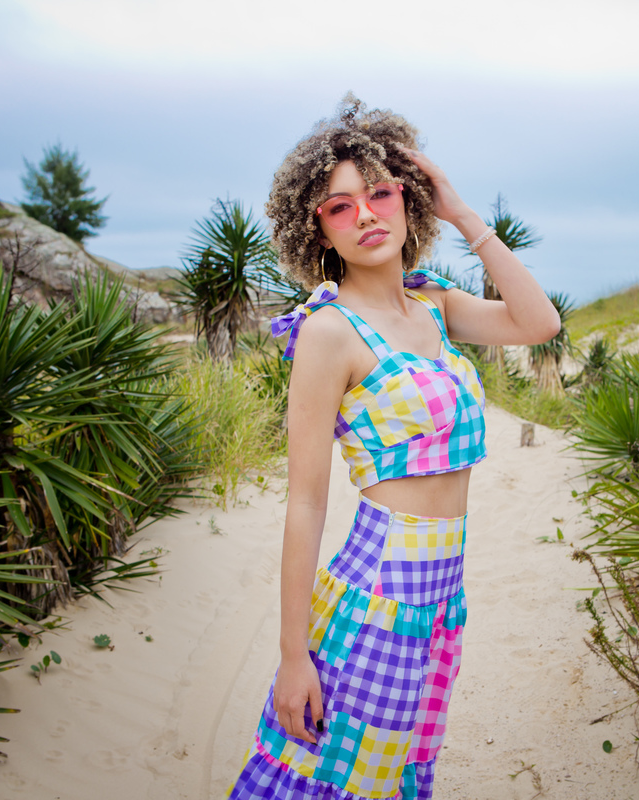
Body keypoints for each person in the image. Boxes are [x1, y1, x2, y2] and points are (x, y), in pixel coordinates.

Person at [227, 96, 560, 800]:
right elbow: (306, 503)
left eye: (380, 193)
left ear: (409, 200)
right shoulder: (329, 333)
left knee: (398, 777)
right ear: (316, 228)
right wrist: (293, 655)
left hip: (440, 597)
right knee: (335, 780)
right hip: (381, 592)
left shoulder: (435, 306)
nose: (367, 215)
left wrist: (461, 213)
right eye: (340, 206)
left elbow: (539, 323)